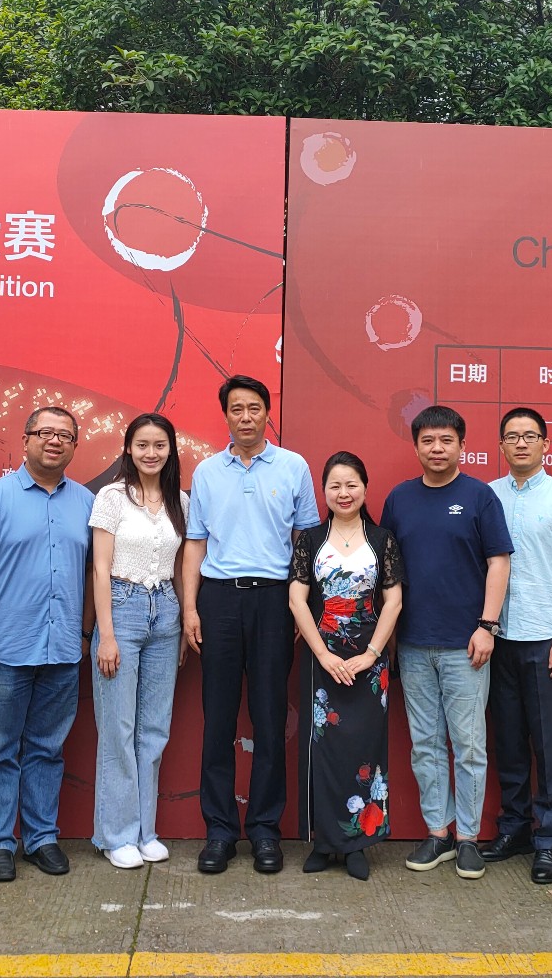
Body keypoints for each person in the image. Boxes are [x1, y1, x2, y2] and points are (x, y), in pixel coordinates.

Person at [181, 375, 318, 875]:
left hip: (275, 600)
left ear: (266, 413)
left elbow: (305, 541)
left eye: (254, 408)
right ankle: (220, 831)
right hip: (218, 599)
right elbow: (196, 543)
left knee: (269, 716)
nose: (245, 417)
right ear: (226, 415)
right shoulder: (207, 471)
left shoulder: (293, 466)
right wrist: (190, 608)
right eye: (236, 408)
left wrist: (302, 605)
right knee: (217, 718)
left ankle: (264, 830)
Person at [0, 405, 94, 883]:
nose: (54, 441)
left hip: (63, 648)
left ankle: (41, 838)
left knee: (47, 749)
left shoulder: (86, 502)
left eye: (65, 435)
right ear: (26, 439)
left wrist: (85, 633)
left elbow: (94, 574)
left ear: (74, 446)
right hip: (6, 648)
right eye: (45, 433)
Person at [380, 406, 512, 880]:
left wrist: (487, 625)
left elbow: (499, 562)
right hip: (413, 644)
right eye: (428, 441)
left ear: (462, 445)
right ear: (416, 446)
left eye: (446, 440)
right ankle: (438, 832)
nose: (437, 449)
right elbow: (387, 571)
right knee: (426, 744)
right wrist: (389, 638)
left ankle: (468, 838)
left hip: (466, 644)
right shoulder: (399, 499)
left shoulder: (479, 496)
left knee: (469, 745)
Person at [481, 408, 552, 885]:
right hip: (498, 637)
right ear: (501, 446)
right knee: (507, 742)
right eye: (512, 436)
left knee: (548, 747)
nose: (521, 443)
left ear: (546, 444)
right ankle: (514, 829)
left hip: (547, 636)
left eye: (530, 436)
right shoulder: (487, 496)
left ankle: (548, 840)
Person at [289, 451, 404, 881]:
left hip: (369, 660)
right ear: (324, 491)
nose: (343, 493)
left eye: (351, 484)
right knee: (322, 747)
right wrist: (323, 654)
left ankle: (357, 843)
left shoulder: (382, 539)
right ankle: (324, 841)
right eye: (335, 485)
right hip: (322, 656)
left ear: (365, 489)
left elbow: (393, 601)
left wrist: (371, 654)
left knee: (365, 747)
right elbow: (297, 599)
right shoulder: (310, 540)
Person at [88, 412, 188, 869]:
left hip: (165, 611)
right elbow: (99, 568)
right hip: (122, 609)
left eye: (160, 445)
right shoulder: (112, 497)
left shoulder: (180, 500)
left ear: (170, 450)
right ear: (129, 449)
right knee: (118, 729)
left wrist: (184, 620)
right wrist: (106, 634)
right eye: (142, 444)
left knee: (154, 730)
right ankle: (116, 835)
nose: (151, 453)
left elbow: (182, 567)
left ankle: (146, 831)